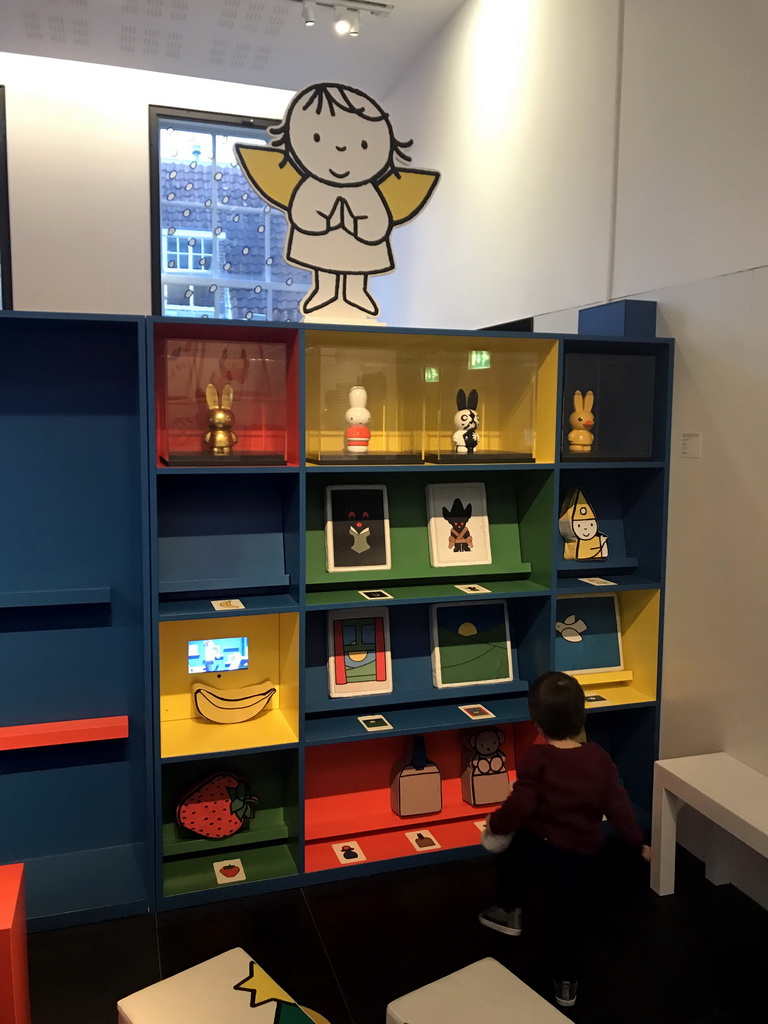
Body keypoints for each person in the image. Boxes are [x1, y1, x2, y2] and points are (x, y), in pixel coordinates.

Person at [478, 671, 652, 1009]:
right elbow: (619, 806)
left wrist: (496, 827)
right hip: (577, 856)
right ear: (581, 715)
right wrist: (637, 842)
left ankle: (509, 910)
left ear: (537, 724)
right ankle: (567, 985)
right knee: (564, 920)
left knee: (508, 856)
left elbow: (520, 804)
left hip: (537, 845)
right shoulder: (599, 758)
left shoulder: (537, 758)